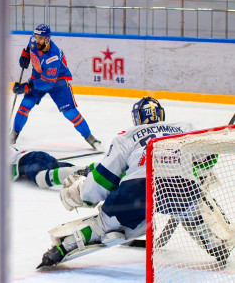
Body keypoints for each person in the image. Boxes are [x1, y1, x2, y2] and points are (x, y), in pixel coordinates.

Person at [37, 96, 231, 268]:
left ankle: (63, 249)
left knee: (104, 225)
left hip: (138, 191)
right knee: (191, 210)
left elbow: (103, 180)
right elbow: (208, 158)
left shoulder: (127, 136)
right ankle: (216, 246)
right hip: (183, 187)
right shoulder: (184, 128)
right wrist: (191, 167)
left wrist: (83, 196)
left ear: (136, 118)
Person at [10, 24, 102, 151]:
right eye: (36, 37)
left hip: (58, 82)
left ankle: (91, 138)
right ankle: (14, 134)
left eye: (41, 38)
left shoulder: (53, 56)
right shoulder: (33, 41)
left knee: (69, 112)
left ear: (47, 39)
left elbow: (47, 83)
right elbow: (29, 49)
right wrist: (25, 56)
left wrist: (26, 87)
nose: (37, 40)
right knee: (25, 105)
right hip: (39, 78)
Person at [0, 134, 89, 189]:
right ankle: (90, 170)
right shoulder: (6, 149)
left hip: (29, 162)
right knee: (57, 168)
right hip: (36, 157)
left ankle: (81, 172)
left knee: (41, 180)